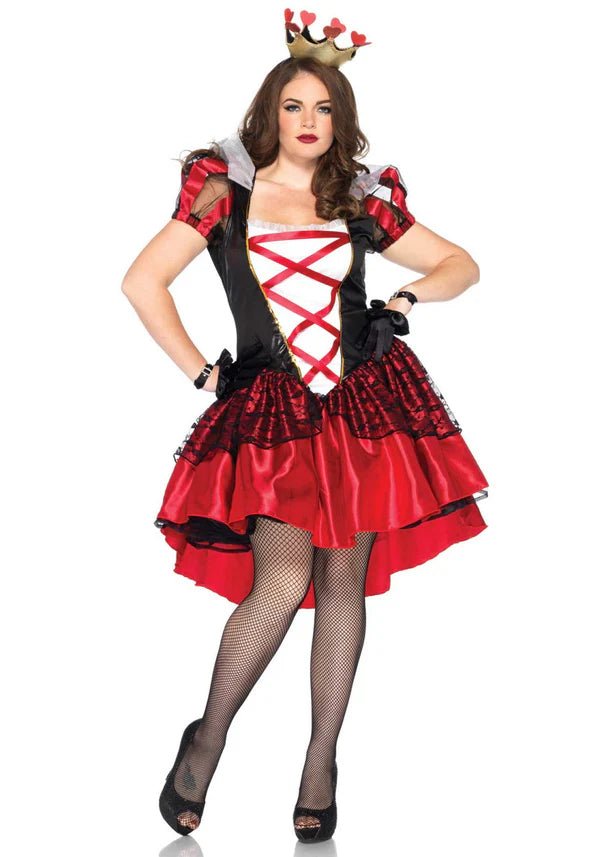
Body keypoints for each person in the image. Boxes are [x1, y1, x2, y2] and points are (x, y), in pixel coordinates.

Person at [122, 11, 489, 843]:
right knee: (283, 581)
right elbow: (143, 281)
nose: (309, 121)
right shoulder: (224, 192)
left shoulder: (357, 200)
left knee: (343, 583)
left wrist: (404, 299)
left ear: (341, 118)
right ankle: (205, 741)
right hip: (276, 415)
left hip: (362, 410)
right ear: (270, 112)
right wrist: (203, 372)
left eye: (324, 108)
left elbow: (461, 263)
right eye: (294, 106)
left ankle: (321, 760)